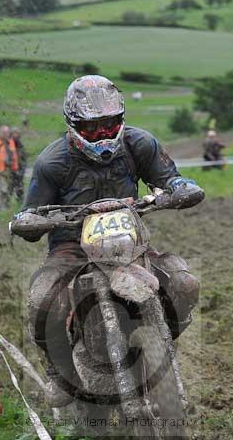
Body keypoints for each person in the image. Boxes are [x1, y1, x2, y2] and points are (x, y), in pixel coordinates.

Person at [12, 74, 201, 406]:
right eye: (91, 128)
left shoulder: (139, 144)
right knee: (42, 298)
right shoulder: (52, 162)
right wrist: (30, 221)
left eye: (109, 125)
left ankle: (161, 344)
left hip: (130, 242)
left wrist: (180, 189)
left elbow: (170, 178)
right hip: (72, 246)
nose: (102, 135)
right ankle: (59, 370)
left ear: (121, 119)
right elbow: (32, 211)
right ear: (73, 125)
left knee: (183, 283)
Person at [9, 127, 27, 207]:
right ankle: (7, 203)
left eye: (17, 133)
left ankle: (20, 202)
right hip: (11, 170)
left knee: (19, 187)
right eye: (14, 133)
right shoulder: (9, 144)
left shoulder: (20, 145)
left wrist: (22, 170)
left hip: (19, 169)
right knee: (10, 187)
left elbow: (23, 159)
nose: (15, 135)